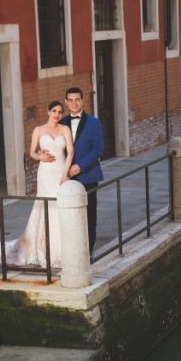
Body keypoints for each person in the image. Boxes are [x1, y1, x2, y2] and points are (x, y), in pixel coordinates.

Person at [0, 101, 73, 268]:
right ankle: (41, 247)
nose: (57, 115)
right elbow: (32, 152)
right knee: (45, 206)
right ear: (48, 112)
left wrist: (65, 174)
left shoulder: (65, 129)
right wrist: (39, 156)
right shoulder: (38, 130)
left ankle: (63, 249)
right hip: (45, 173)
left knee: (60, 206)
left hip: (60, 171)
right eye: (54, 111)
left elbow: (70, 152)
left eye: (60, 112)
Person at [62, 86, 104, 252]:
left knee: (88, 215)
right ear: (66, 102)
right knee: (68, 215)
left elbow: (98, 150)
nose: (74, 103)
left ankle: (88, 250)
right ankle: (71, 249)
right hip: (66, 177)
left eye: (77, 99)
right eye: (70, 100)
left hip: (88, 175)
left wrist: (80, 166)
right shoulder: (61, 122)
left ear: (82, 100)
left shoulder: (94, 122)